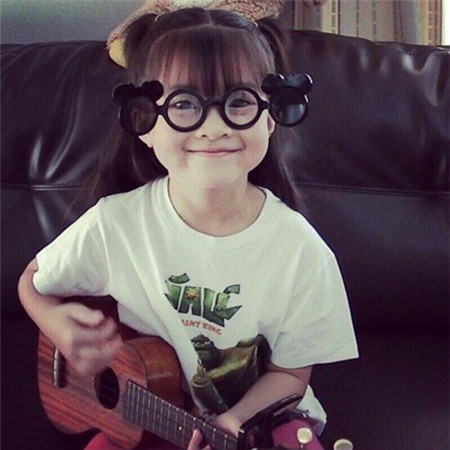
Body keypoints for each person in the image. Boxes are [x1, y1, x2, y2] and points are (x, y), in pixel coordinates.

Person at [18, 2, 358, 450]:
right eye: (184, 105)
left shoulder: (301, 252)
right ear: (144, 122)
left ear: (270, 116)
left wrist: (233, 421)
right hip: (143, 420)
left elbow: (290, 376)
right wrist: (54, 323)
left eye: (239, 102)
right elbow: (33, 280)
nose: (213, 128)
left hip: (257, 426)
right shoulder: (115, 223)